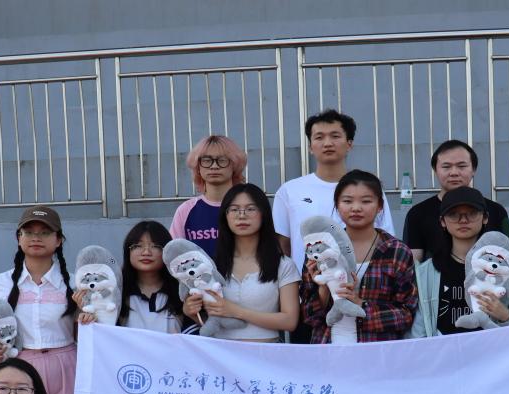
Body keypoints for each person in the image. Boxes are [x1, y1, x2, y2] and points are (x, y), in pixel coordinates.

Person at [273, 109, 395, 343]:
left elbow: (384, 239)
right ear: (310, 146)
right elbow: (283, 246)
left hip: (364, 297)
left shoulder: (369, 188)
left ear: (349, 143)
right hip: (311, 300)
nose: (327, 143)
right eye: (319, 137)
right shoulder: (290, 191)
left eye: (335, 136)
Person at [0, 205, 78, 394]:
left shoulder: (75, 283)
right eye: (28, 232)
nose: (36, 238)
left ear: (58, 240)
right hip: (16, 366)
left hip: (66, 365)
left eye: (45, 232)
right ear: (19, 238)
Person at [300, 170, 416, 344]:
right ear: (337, 205)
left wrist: (361, 304)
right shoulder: (319, 249)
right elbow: (309, 317)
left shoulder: (396, 251)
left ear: (380, 206)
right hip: (328, 349)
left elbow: (406, 314)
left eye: (366, 201)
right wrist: (323, 289)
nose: (356, 208)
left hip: (377, 351)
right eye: (347, 201)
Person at [182, 183, 300, 341]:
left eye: (250, 209)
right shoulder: (209, 265)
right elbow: (211, 322)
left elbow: (290, 321)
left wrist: (237, 312)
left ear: (264, 214)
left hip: (266, 351)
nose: (242, 215)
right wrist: (191, 312)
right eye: (234, 209)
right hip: (220, 351)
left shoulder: (283, 264)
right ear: (225, 216)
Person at [409, 186, 509, 338]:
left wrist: (505, 315)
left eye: (472, 213)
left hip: (491, 350)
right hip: (443, 350)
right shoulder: (425, 273)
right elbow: (419, 329)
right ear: (442, 221)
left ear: (485, 218)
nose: (463, 220)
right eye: (453, 214)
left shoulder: (502, 269)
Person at [402, 139, 509, 263]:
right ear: (435, 170)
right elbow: (413, 264)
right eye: (446, 167)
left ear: (474, 169)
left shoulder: (496, 211)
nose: (454, 173)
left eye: (461, 166)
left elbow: (505, 259)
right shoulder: (417, 214)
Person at [169, 135, 247, 257]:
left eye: (222, 160)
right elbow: (174, 255)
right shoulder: (186, 210)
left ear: (234, 165)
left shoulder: (249, 207)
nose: (214, 166)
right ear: (198, 167)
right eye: (206, 160)